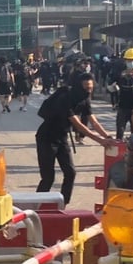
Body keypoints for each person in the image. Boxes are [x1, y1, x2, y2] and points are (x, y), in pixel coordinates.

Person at [34, 72, 111, 205]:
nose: (89, 91)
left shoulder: (85, 98)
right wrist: (100, 141)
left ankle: (63, 203)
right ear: (79, 86)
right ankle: (37, 205)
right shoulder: (66, 98)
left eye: (91, 87)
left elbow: (93, 121)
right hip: (46, 138)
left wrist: (108, 137)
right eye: (86, 88)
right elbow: (78, 125)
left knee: (70, 173)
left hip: (62, 137)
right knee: (48, 178)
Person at [112, 48, 133, 139]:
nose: (131, 63)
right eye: (129, 60)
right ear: (125, 61)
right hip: (122, 107)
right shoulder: (120, 74)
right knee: (120, 130)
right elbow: (112, 87)